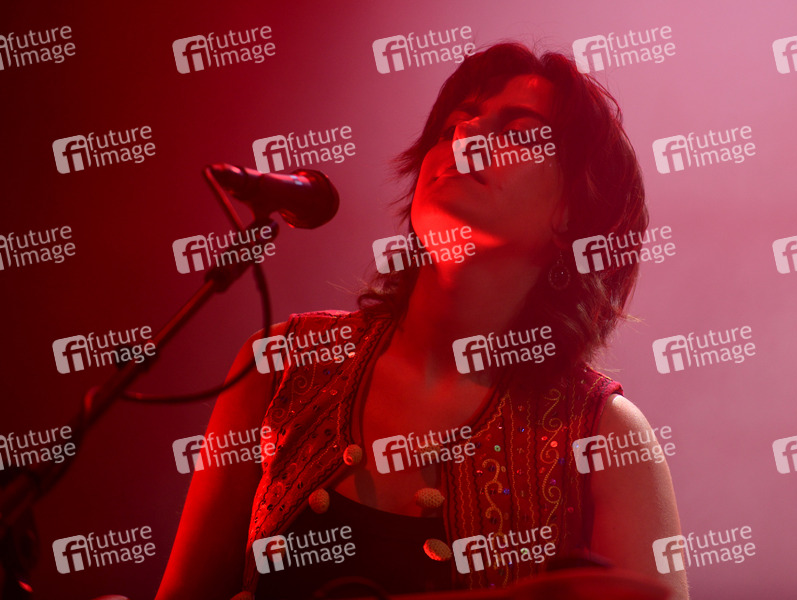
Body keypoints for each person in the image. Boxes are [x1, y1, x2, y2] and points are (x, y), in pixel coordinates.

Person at [155, 42, 689, 600]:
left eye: (519, 132)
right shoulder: (280, 363)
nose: (465, 134)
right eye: (453, 125)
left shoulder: (604, 433)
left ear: (572, 214)